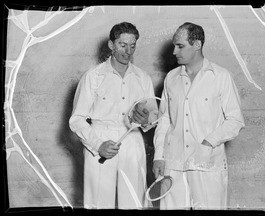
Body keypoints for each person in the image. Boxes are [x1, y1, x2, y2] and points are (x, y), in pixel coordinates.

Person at [153, 22, 245, 210]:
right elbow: (164, 120)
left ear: (197, 45)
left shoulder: (221, 76)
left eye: (180, 46)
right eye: (174, 46)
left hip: (207, 164)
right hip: (173, 164)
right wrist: (158, 156)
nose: (174, 52)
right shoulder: (171, 77)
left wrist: (208, 142)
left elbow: (235, 121)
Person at [69, 22, 155, 209]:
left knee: (135, 201)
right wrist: (98, 145)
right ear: (111, 45)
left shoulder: (143, 77)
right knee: (98, 202)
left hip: (133, 141)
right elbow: (76, 119)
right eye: (122, 45)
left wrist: (146, 120)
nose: (127, 51)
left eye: (132, 46)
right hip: (100, 139)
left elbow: (152, 118)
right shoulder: (93, 76)